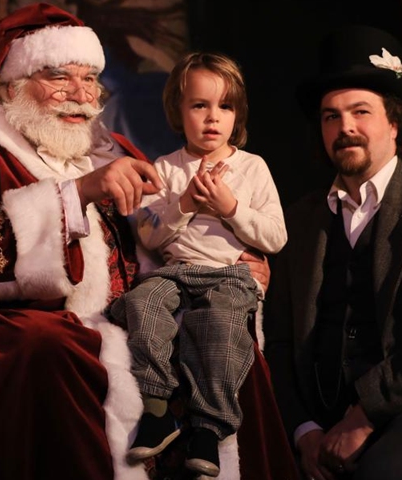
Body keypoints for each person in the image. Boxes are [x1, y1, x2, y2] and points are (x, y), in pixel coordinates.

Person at [0, 3, 295, 480]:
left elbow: (165, 235)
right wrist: (79, 193)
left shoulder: (110, 148)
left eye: (90, 78)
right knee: (55, 346)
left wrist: (233, 260)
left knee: (220, 338)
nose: (81, 95)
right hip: (20, 321)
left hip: (132, 307)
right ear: (12, 87)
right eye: (59, 77)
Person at [265, 25, 402, 480]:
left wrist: (362, 418)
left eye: (361, 112)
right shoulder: (298, 220)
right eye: (330, 116)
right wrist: (304, 432)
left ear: (395, 122)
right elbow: (278, 342)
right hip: (321, 426)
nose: (345, 128)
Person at [110, 52, 287, 477]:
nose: (213, 118)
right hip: (176, 272)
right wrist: (185, 203)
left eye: (224, 106)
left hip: (230, 275)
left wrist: (231, 207)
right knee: (144, 303)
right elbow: (148, 234)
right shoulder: (166, 169)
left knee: (220, 326)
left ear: (237, 114)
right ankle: (156, 409)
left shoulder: (252, 168)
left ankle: (209, 426)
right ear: (179, 109)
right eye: (199, 105)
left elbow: (275, 237)